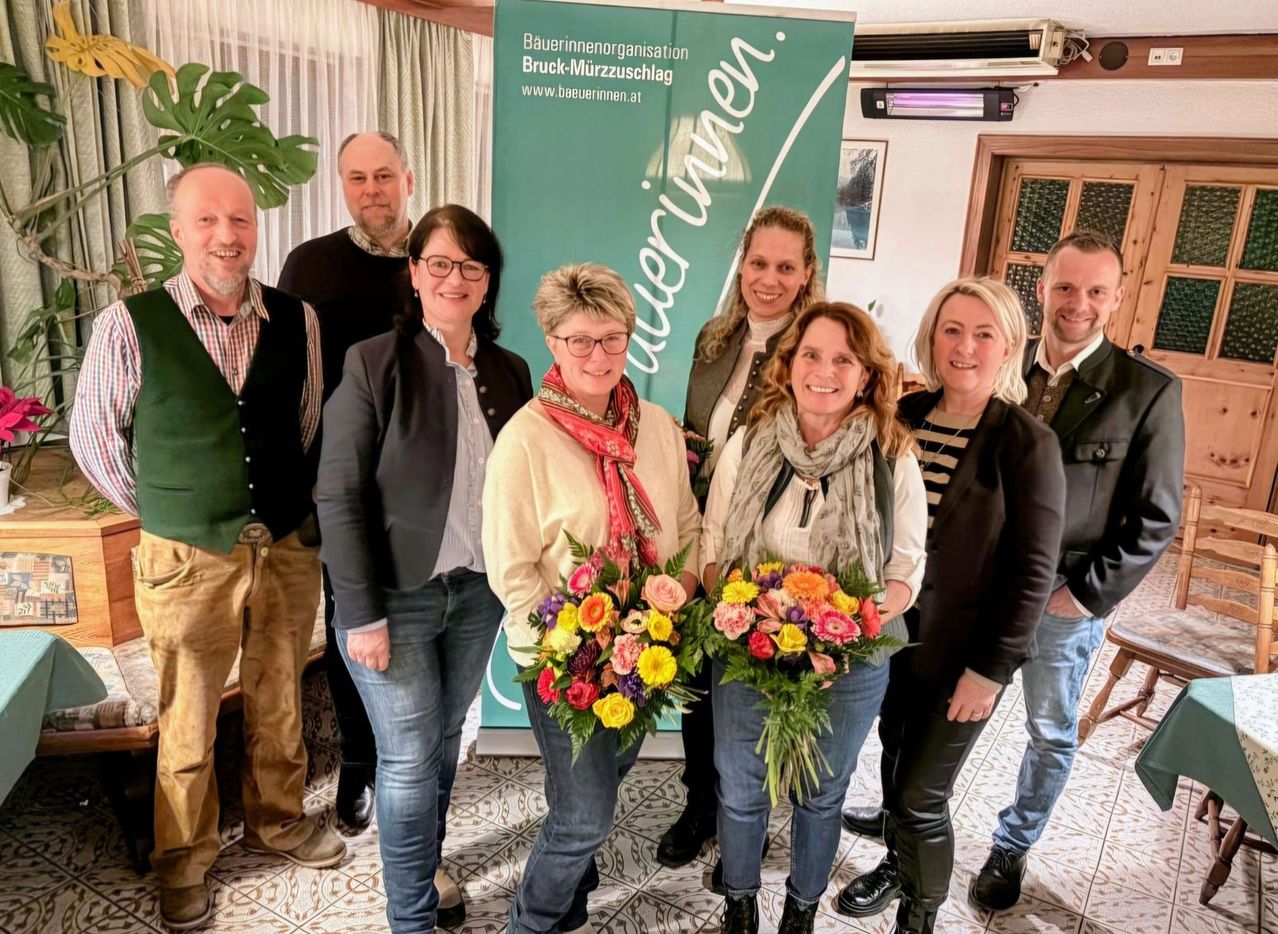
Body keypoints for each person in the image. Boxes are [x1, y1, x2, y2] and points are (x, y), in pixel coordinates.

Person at [840, 230, 1186, 912]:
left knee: (1048, 731)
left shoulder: (1144, 390)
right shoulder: (987, 368)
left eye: (1095, 291)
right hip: (940, 604)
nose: (1078, 303)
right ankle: (899, 845)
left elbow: (1156, 516)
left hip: (1058, 595)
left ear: (1117, 298)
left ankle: (1010, 846)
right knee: (911, 748)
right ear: (1042, 291)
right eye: (1065, 287)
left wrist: (1082, 596)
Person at [69, 163, 345, 931]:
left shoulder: (298, 318)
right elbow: (94, 441)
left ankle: (278, 822)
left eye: (241, 220)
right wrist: (168, 511)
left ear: (256, 228)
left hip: (285, 545)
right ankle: (184, 862)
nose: (227, 236)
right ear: (180, 231)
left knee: (281, 700)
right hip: (184, 559)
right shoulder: (129, 323)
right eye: (208, 220)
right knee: (187, 718)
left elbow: (306, 422)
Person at [316, 204, 531, 932]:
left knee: (443, 740)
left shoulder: (509, 370)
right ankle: (409, 916)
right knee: (408, 756)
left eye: (471, 265)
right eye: (438, 262)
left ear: (488, 280)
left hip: (478, 593)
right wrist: (359, 613)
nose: (454, 277)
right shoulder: (372, 362)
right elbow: (338, 493)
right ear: (413, 272)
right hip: (394, 597)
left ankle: (427, 866)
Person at [833, 279, 1065, 934]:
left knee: (920, 796)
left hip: (965, 656)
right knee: (893, 759)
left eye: (984, 334)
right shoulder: (904, 416)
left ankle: (920, 915)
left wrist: (989, 672)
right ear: (932, 338)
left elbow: (1033, 573)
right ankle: (896, 863)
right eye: (952, 330)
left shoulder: (1027, 442)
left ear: (1009, 347)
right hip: (889, 641)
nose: (965, 347)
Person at [482, 263, 702, 934]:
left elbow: (687, 525)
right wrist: (572, 646)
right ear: (552, 341)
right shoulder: (524, 440)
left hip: (649, 651)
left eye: (611, 339)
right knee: (585, 816)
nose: (598, 356)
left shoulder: (656, 427)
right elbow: (512, 569)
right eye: (579, 340)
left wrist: (679, 593)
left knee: (601, 778)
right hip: (564, 662)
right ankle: (532, 922)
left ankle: (573, 891)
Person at [700, 302, 927, 934]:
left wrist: (847, 621)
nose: (824, 372)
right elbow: (714, 546)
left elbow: (906, 569)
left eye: (843, 359)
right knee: (740, 787)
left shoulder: (891, 454)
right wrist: (748, 616)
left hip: (848, 660)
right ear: (789, 363)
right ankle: (739, 906)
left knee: (821, 793)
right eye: (811, 355)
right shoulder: (751, 441)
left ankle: (800, 912)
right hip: (749, 649)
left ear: (866, 375)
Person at [660, 205, 824, 869]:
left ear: (807, 273)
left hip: (769, 551)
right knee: (698, 680)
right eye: (758, 262)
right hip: (702, 534)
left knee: (757, 684)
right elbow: (704, 428)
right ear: (742, 264)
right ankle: (700, 803)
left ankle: (747, 811)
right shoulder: (713, 337)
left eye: (786, 267)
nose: (769, 278)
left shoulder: (815, 349)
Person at [278, 130, 415, 829]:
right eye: (357, 178)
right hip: (344, 485)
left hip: (425, 485)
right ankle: (360, 760)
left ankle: (411, 757)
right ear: (342, 186)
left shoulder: (437, 258)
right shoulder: (310, 265)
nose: (371, 190)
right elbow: (286, 376)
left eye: (383, 175)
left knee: (421, 621)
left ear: (408, 179)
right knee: (350, 622)